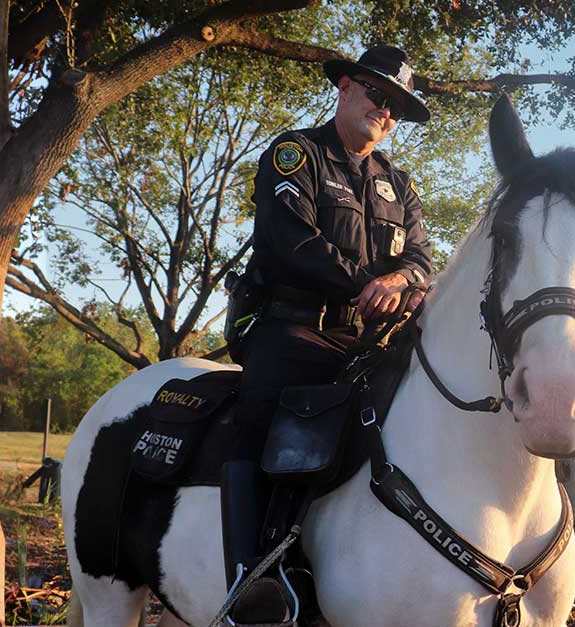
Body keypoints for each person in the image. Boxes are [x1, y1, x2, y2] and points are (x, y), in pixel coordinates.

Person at [221, 44, 433, 623]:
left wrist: (401, 280)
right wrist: (369, 283)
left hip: (369, 341)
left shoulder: (400, 183)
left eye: (396, 107)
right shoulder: (297, 154)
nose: (385, 112)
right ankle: (252, 575)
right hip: (291, 329)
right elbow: (292, 243)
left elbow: (421, 258)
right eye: (378, 95)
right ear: (344, 86)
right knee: (258, 422)